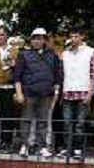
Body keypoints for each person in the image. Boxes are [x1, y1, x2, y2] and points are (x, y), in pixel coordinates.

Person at [14, 28, 62, 158]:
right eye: (34, 38)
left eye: (40, 38)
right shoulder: (24, 54)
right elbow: (17, 76)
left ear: (44, 40)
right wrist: (19, 93)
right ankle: (25, 145)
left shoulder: (52, 55)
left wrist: (56, 92)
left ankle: (42, 147)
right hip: (28, 93)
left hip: (47, 94)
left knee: (43, 121)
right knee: (26, 120)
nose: (36, 41)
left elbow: (57, 75)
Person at [58, 27, 94, 161]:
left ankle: (78, 149)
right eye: (71, 36)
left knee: (80, 124)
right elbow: (62, 75)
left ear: (82, 37)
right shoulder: (65, 54)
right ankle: (67, 148)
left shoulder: (91, 52)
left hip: (83, 92)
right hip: (68, 92)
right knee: (67, 122)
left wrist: (90, 94)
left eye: (76, 36)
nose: (73, 39)